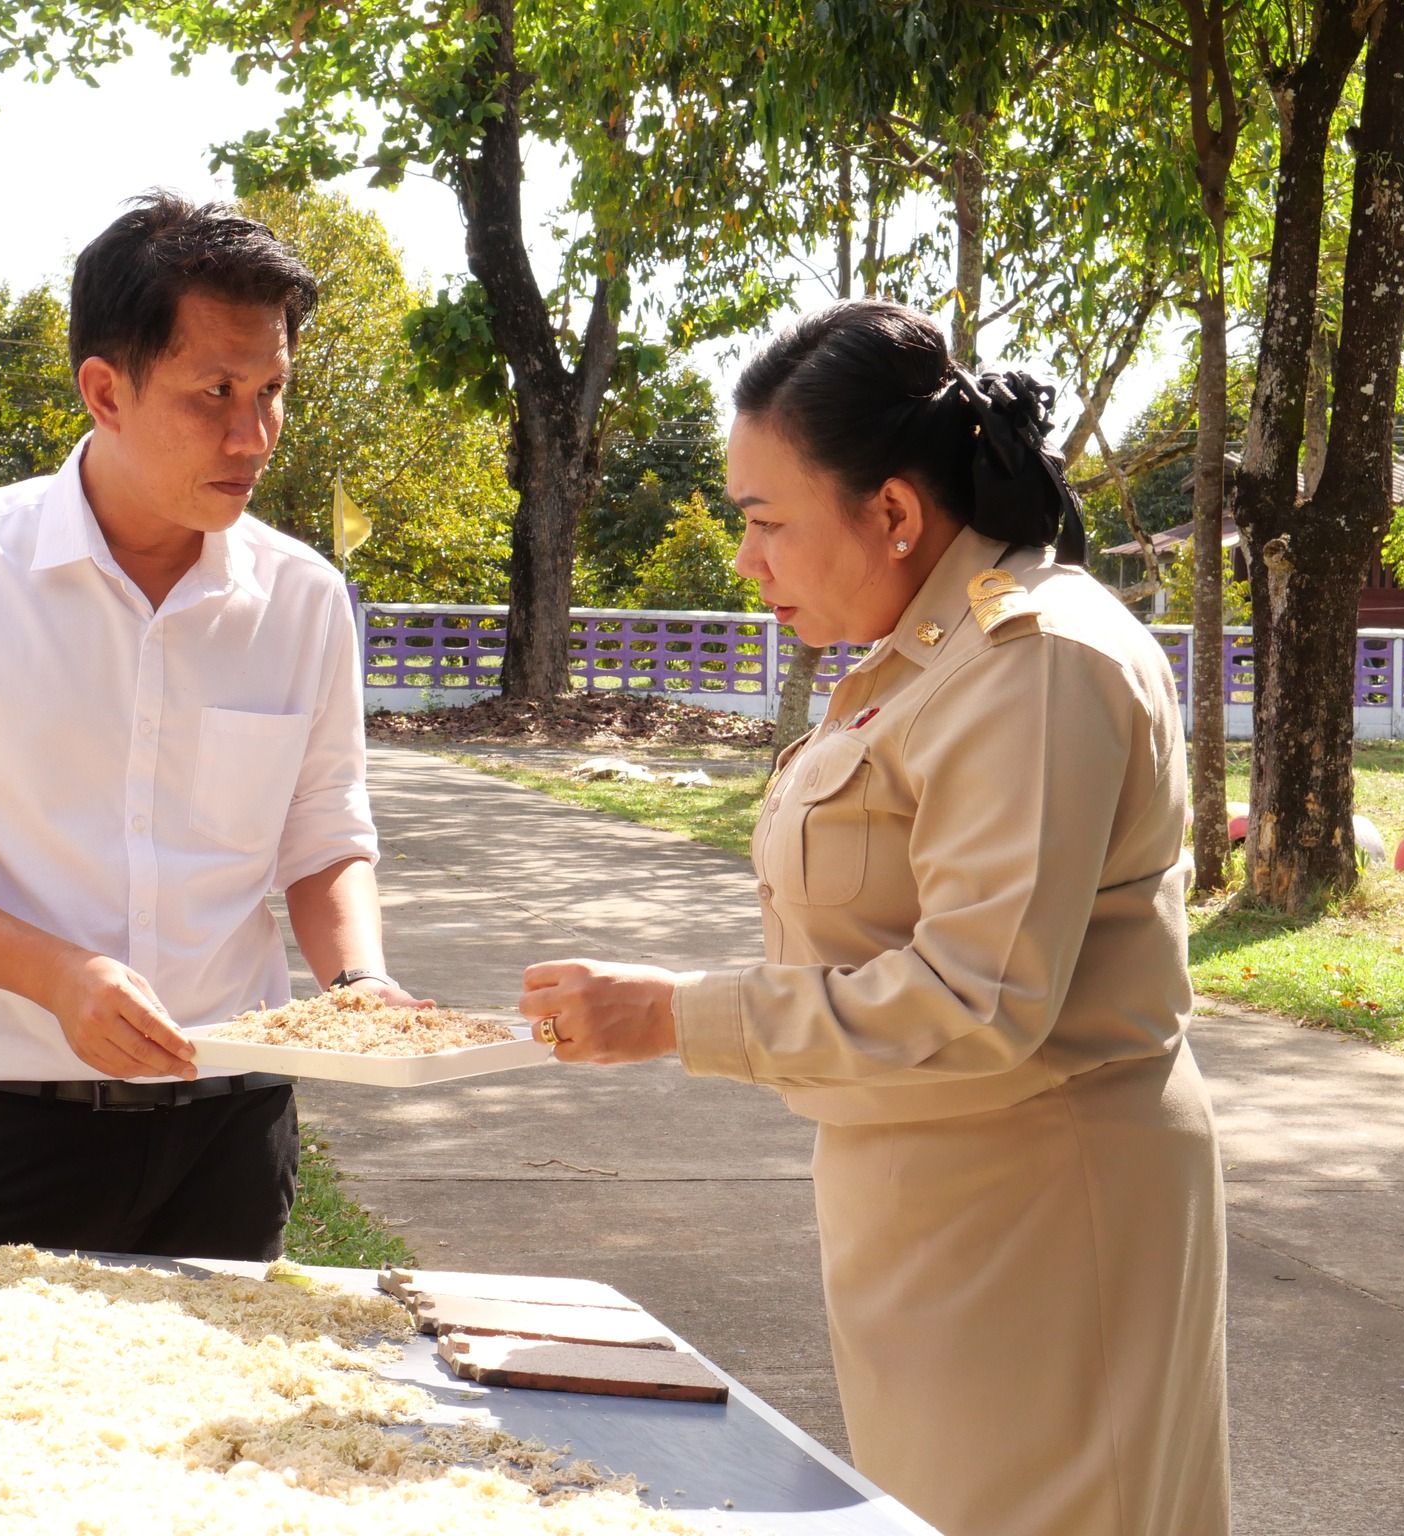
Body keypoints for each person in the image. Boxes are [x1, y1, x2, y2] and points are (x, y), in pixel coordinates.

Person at [517, 300, 1230, 1536]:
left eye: (765, 521)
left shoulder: (1032, 660)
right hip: (925, 1207)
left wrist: (677, 1017)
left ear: (893, 512)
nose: (745, 561)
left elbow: (975, 1001)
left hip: (1040, 1210)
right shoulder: (921, 649)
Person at [0, 193, 421, 1261]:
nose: (252, 436)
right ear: (105, 390)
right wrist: (57, 976)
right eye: (214, 392)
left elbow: (323, 835)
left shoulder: (303, 598)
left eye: (271, 392)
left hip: (233, 1131)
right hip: (8, 1125)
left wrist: (358, 983)